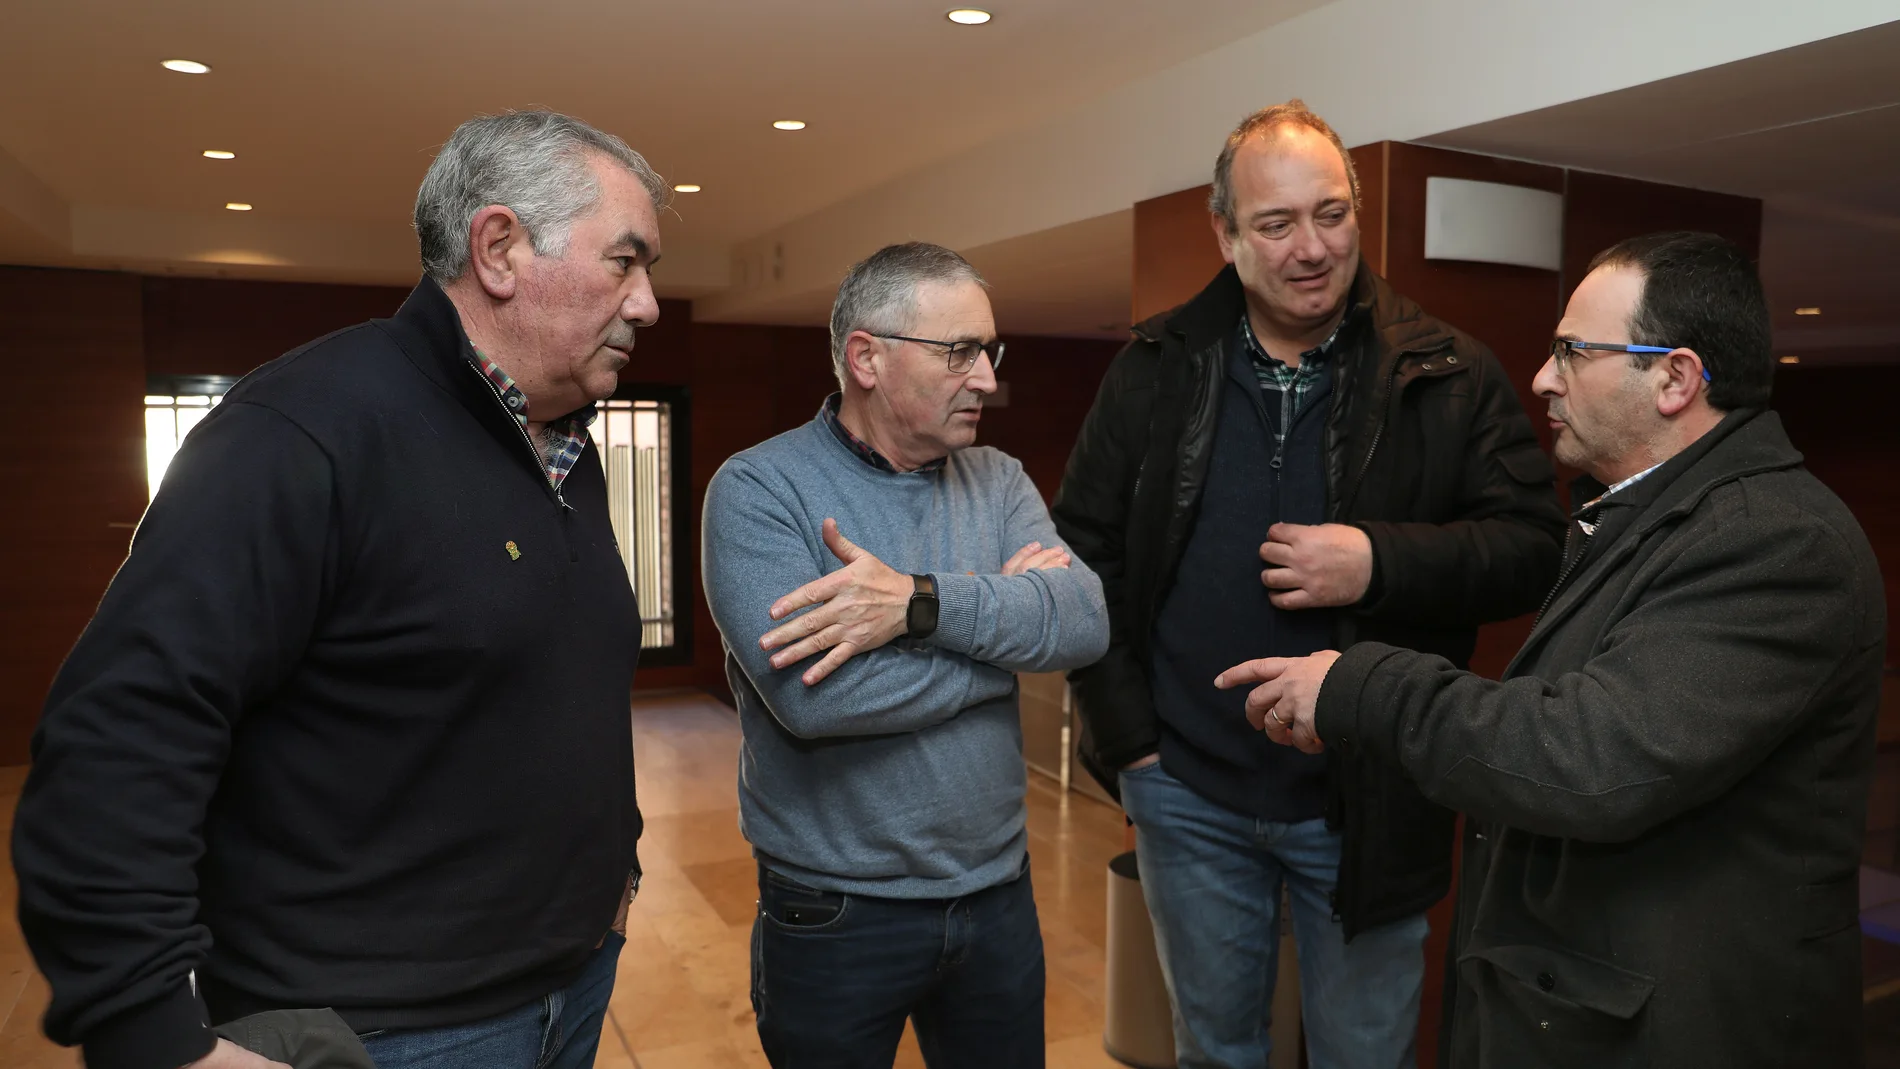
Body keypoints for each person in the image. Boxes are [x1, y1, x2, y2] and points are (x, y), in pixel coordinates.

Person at [12, 110, 664, 1069]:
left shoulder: (567, 446)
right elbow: (120, 731)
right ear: (499, 248)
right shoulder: (304, 429)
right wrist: (149, 1030)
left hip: (574, 985)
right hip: (390, 1031)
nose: (648, 303)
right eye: (627, 260)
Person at [1220, 231, 1885, 1068]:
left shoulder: (1776, 541)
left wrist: (1360, 684)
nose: (1542, 378)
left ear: (1675, 378)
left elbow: (1589, 754)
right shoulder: (1642, 516)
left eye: (1573, 351)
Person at [1051, 100, 1565, 1068]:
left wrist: (1378, 559)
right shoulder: (1154, 369)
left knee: (1364, 1057)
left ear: (1358, 210)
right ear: (1226, 234)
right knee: (1216, 1051)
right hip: (1188, 795)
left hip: (1367, 799)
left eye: (1329, 214)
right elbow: (1084, 555)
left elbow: (1533, 544)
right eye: (1276, 223)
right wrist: (1133, 751)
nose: (1310, 248)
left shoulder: (1445, 369)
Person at [701, 242, 1109, 1068]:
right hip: (836, 914)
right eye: (960, 352)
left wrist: (920, 605)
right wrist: (1002, 640)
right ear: (867, 358)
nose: (988, 378)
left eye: (989, 351)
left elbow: (1084, 620)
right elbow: (817, 701)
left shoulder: (997, 479)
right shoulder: (758, 491)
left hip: (997, 899)